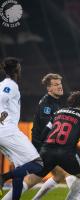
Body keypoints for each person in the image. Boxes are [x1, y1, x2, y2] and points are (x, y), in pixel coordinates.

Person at [15, 91, 80, 199]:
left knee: (47, 177)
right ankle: (73, 198)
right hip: (65, 152)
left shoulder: (58, 112)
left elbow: (44, 133)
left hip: (46, 149)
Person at [0, 57, 43, 200]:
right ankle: (3, 177)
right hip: (7, 131)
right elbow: (1, 98)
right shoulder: (10, 85)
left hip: (5, 132)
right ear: (18, 69)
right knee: (39, 165)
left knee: (20, 170)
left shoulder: (3, 84)